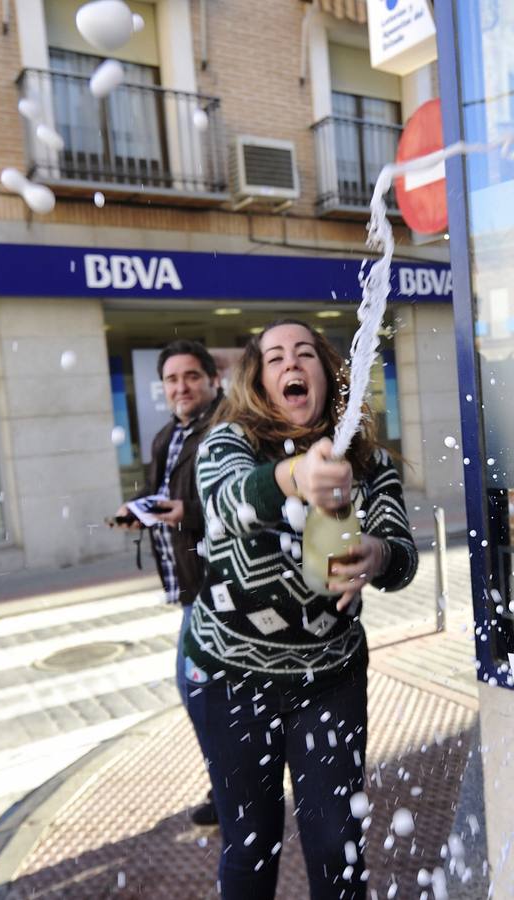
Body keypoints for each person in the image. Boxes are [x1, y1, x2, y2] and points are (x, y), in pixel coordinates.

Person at [184, 319, 418, 899]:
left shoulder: (368, 463)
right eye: (275, 357)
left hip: (329, 679)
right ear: (259, 380)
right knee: (251, 846)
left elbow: (402, 554)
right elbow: (228, 498)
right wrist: (295, 477)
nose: (292, 364)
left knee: (339, 849)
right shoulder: (227, 442)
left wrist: (376, 553)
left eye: (305, 353)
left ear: (326, 372)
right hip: (229, 677)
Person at [112, 339, 222, 826]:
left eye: (191, 377)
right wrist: (139, 511)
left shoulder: (227, 427)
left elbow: (242, 498)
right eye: (172, 380)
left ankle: (232, 787)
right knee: (212, 690)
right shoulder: (165, 437)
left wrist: (187, 514)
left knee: (196, 686)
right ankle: (235, 782)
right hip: (188, 583)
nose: (182, 387)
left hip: (218, 581)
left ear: (211, 379)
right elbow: (161, 496)